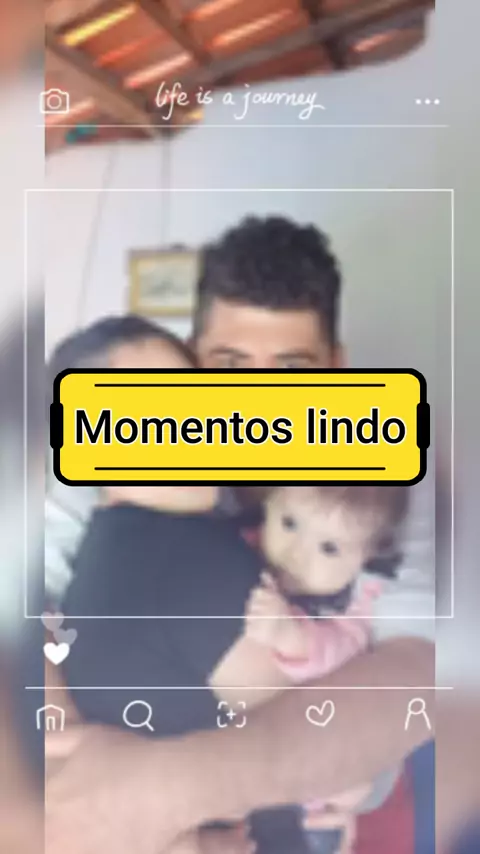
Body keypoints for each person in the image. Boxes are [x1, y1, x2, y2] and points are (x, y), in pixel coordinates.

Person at [45, 216, 435, 854]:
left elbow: (417, 671)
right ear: (193, 359)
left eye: (291, 370)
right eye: (228, 367)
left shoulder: (384, 481)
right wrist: (75, 781)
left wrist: (164, 792)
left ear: (336, 371)